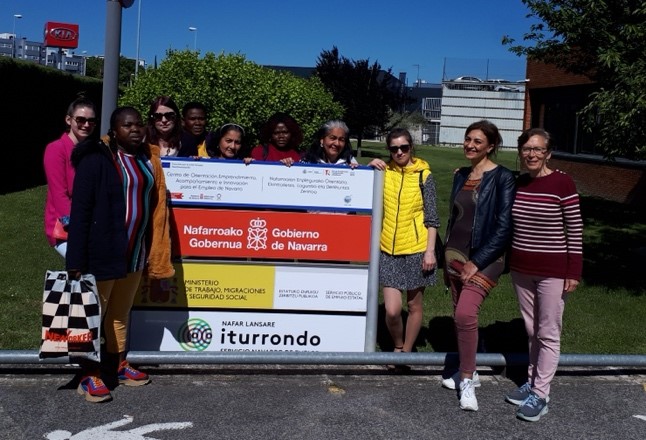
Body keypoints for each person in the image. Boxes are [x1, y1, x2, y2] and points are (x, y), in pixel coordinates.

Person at [66, 106, 175, 403]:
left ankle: (117, 365)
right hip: (100, 255)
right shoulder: (96, 159)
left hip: (135, 254)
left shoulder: (145, 160)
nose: (136, 129)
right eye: (128, 125)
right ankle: (89, 374)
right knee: (89, 316)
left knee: (119, 314)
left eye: (139, 124)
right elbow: (81, 211)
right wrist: (74, 261)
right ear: (114, 131)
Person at [505, 128, 583, 422]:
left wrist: (573, 271)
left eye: (538, 149)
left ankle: (541, 394)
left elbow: (574, 230)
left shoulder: (562, 182)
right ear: (521, 152)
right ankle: (531, 382)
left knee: (548, 332)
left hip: (553, 271)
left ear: (548, 153)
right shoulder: (519, 183)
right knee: (530, 329)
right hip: (522, 270)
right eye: (527, 149)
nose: (532, 154)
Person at [440, 120, 516, 412]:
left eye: (478, 142)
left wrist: (477, 261)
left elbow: (504, 226)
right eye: (468, 139)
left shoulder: (502, 177)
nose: (470, 145)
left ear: (491, 146)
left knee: (465, 313)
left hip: (486, 257)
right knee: (460, 317)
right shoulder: (461, 175)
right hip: (454, 254)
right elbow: (457, 218)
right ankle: (465, 368)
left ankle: (468, 380)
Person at [368, 128, 440, 372]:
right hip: (387, 248)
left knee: (415, 306)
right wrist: (370, 166)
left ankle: (406, 351)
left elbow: (432, 218)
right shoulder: (383, 172)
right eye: (394, 148)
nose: (399, 152)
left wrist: (430, 251)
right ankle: (398, 345)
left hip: (417, 248)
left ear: (411, 147)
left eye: (404, 147)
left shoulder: (423, 175)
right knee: (392, 310)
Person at [43, 96, 97, 258]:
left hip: (91, 223)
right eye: (80, 120)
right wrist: (78, 227)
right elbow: (59, 194)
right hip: (67, 228)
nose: (86, 125)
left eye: (91, 121)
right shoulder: (56, 149)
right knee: (87, 267)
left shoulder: (93, 151)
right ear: (68, 120)